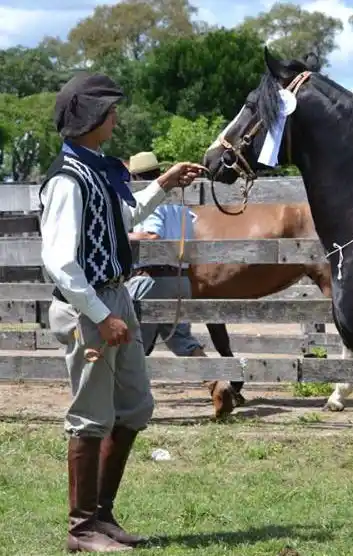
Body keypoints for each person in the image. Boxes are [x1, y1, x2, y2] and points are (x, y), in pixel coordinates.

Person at [39, 71, 205, 553]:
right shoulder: (68, 180)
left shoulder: (95, 169)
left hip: (115, 298)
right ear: (92, 119)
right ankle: (81, 529)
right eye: (109, 110)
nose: (116, 116)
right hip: (87, 306)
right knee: (90, 416)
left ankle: (102, 515)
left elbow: (123, 217)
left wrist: (165, 185)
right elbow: (59, 261)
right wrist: (99, 313)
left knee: (134, 406)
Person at [124, 151, 206, 359]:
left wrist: (120, 236)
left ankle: (130, 390)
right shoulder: (179, 205)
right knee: (182, 340)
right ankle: (216, 382)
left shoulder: (148, 200)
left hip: (152, 279)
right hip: (180, 280)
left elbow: (153, 236)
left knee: (133, 343)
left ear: (134, 178)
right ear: (159, 172)